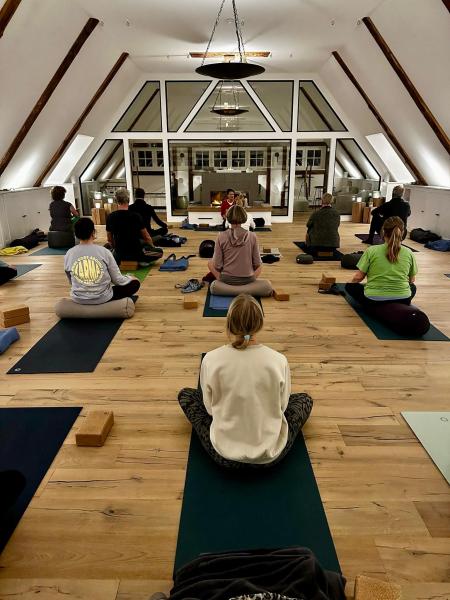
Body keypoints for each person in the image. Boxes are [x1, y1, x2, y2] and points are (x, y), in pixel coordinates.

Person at [178, 294, 313, 468]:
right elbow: (283, 407)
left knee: (186, 395)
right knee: (304, 399)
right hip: (270, 455)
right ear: (260, 324)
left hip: (223, 455)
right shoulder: (279, 360)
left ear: (229, 324)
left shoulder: (211, 359)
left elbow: (210, 409)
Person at [64, 217, 140, 304]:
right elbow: (117, 280)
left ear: (76, 234)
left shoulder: (69, 253)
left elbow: (70, 279)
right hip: (102, 297)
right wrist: (130, 278)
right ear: (93, 232)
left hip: (78, 298)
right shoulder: (104, 251)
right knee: (135, 283)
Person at [345, 216, 418, 307]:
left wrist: (351, 283)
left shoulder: (371, 250)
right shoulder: (409, 252)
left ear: (383, 231)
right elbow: (412, 280)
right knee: (413, 287)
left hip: (373, 300)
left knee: (350, 286)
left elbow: (358, 277)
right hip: (403, 299)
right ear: (403, 233)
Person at [106, 188, 162, 266]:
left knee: (106, 247)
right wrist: (152, 247)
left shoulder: (110, 217)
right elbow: (146, 237)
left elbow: (109, 239)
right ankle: (141, 261)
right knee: (160, 252)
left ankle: (115, 258)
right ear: (128, 200)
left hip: (119, 255)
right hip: (136, 254)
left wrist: (115, 249)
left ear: (116, 201)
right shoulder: (136, 216)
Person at [208, 204, 261, 285]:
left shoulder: (221, 236)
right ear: (244, 217)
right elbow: (257, 264)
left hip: (226, 279)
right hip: (248, 279)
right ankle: (248, 283)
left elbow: (217, 266)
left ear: (228, 218)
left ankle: (221, 282)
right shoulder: (253, 236)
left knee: (210, 263)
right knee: (261, 264)